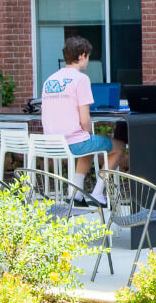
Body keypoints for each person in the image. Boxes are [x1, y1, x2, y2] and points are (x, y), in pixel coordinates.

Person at [38, 36, 125, 204]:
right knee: (119, 147)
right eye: (88, 57)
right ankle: (98, 193)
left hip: (51, 142)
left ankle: (75, 193)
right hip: (74, 142)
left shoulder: (50, 80)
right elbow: (85, 120)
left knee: (88, 143)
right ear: (82, 55)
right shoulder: (81, 79)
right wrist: (90, 133)